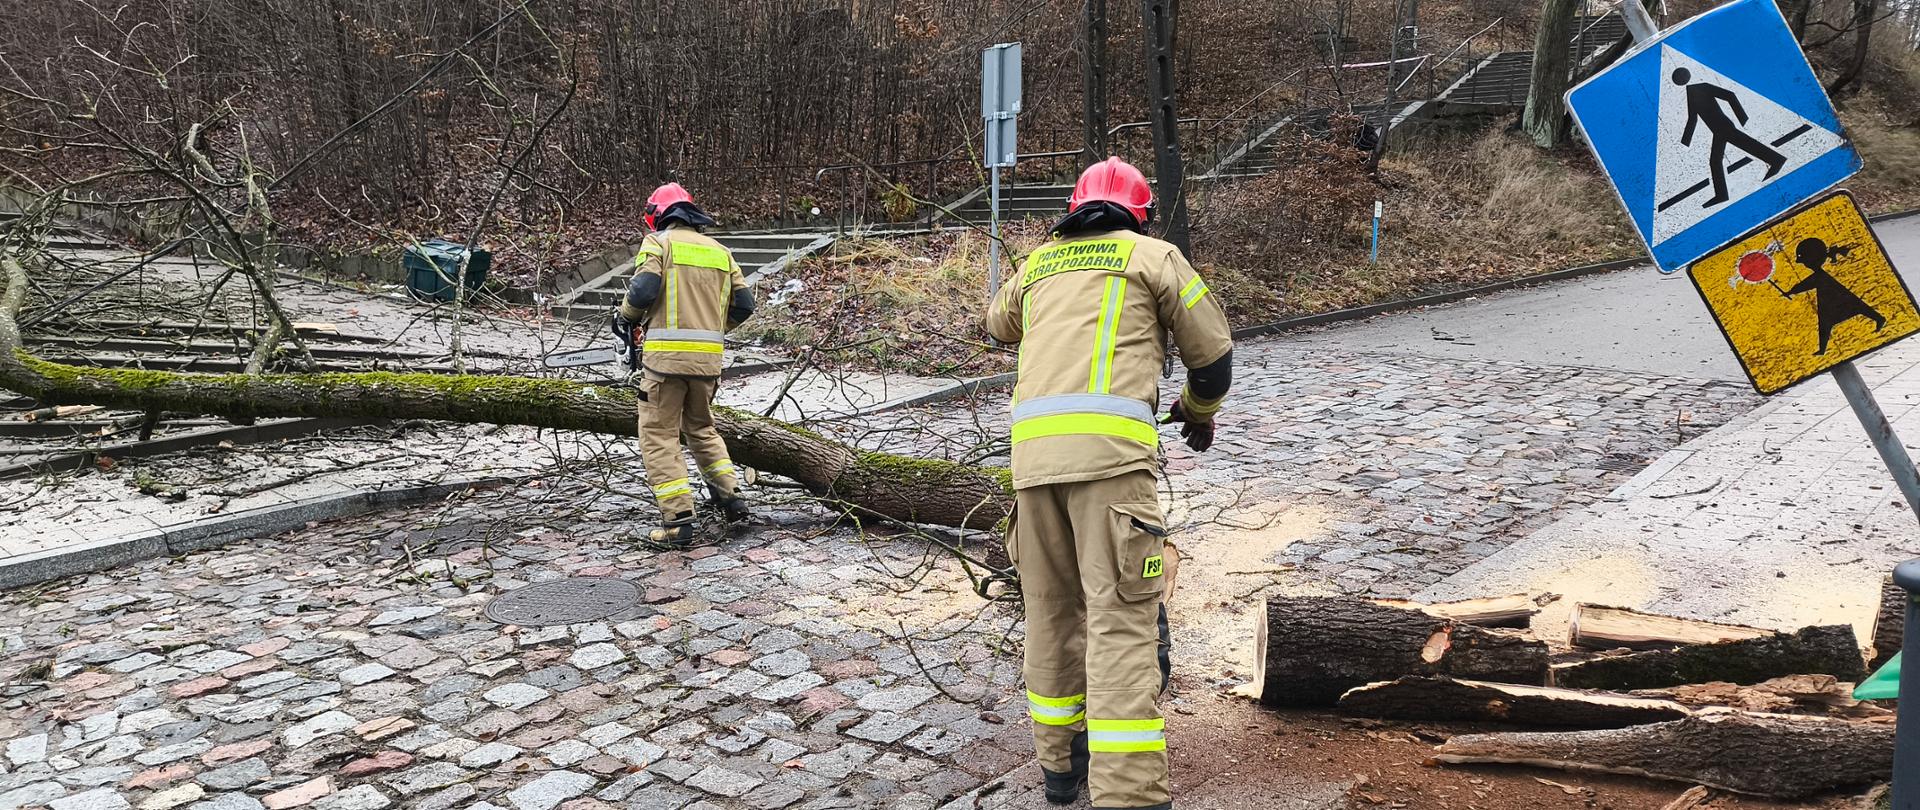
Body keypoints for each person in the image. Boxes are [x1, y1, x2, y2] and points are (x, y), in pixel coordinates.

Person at [984, 156, 1233, 810]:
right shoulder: (1155, 258)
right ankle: (1129, 797)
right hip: (1112, 471)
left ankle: (1061, 771)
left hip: (1032, 470)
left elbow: (997, 325)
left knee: (1049, 612)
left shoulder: (1037, 265)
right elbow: (1213, 356)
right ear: (1140, 213)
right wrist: (1198, 413)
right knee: (1121, 623)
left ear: (1074, 207)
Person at [612, 182, 757, 545]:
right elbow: (745, 306)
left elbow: (643, 290)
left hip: (665, 363)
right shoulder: (721, 252)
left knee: (659, 435)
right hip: (708, 363)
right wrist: (714, 328)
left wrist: (626, 317)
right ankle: (731, 497)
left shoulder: (659, 244)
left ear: (658, 216)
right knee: (702, 428)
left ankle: (677, 521)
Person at [1781, 236, 1885, 356]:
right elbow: (1807, 283)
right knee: (1853, 308)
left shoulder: (1820, 275)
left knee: (1848, 310)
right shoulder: (1820, 274)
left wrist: (1791, 291)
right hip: (1830, 297)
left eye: (1805, 261)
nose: (1804, 264)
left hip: (1830, 298)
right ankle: (1823, 350)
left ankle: (1879, 319)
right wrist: (1791, 291)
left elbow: (1807, 283)